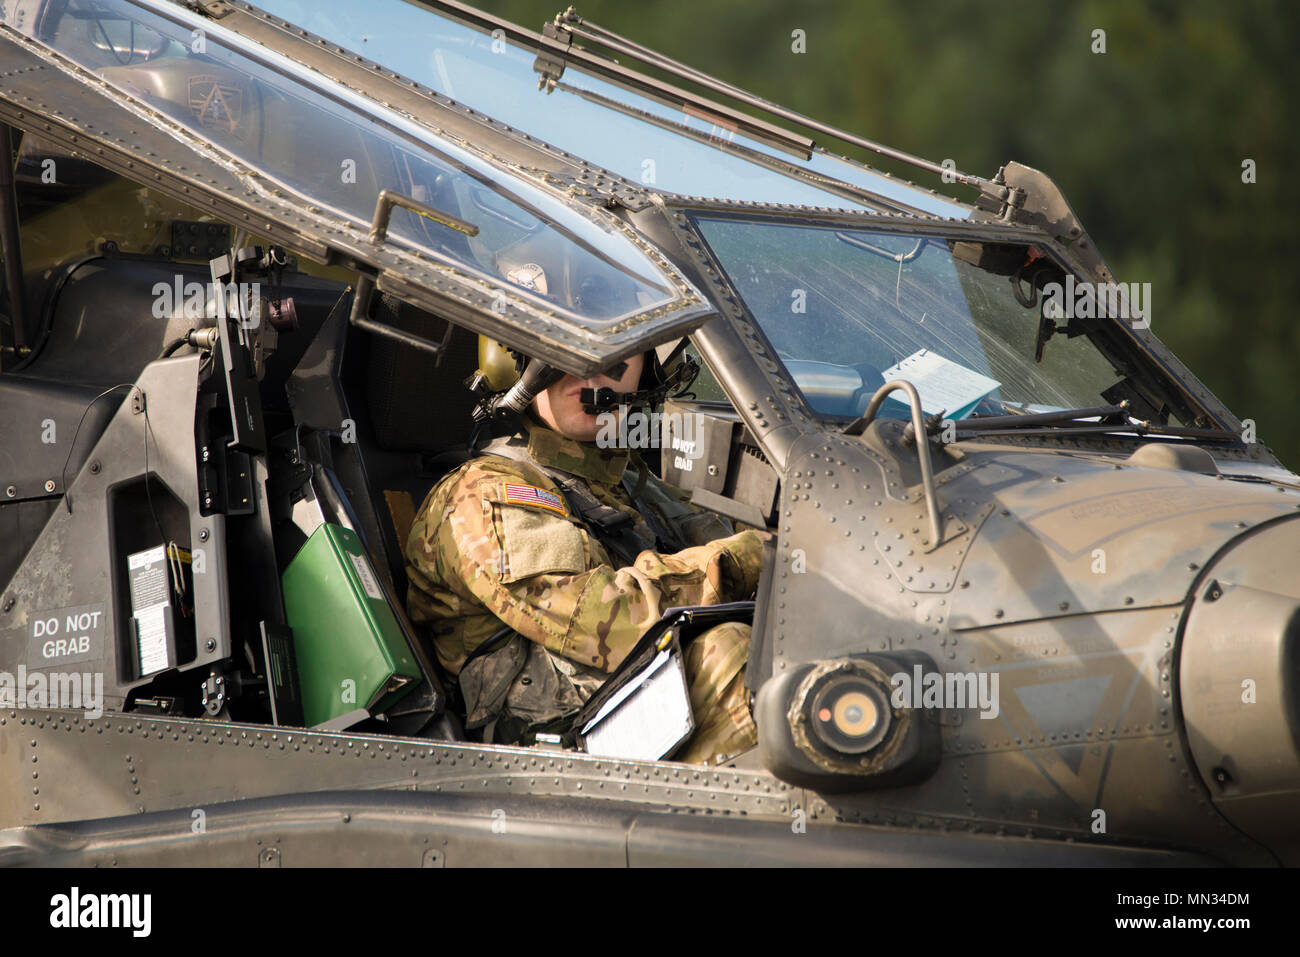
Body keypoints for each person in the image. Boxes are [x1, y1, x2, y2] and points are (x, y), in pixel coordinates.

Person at [403, 339, 766, 765]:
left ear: (648, 367)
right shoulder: (486, 492)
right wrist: (749, 557)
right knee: (729, 654)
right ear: (515, 363)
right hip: (543, 749)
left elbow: (736, 537)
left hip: (621, 708)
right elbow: (615, 622)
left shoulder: (631, 482)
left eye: (618, 346)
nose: (592, 367)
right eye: (567, 346)